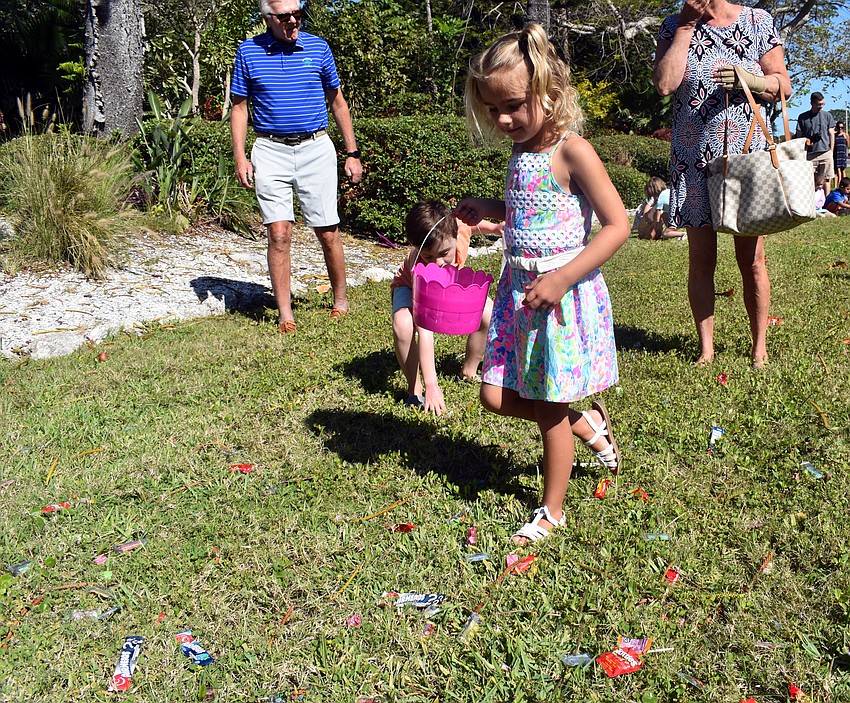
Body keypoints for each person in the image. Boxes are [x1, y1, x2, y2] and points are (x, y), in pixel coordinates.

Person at [455, 24, 629, 545]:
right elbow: (531, 209)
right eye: (492, 109)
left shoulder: (573, 150)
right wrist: (494, 210)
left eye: (512, 105)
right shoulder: (520, 152)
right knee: (493, 394)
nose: (502, 118)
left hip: (560, 297)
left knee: (548, 408)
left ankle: (552, 512)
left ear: (548, 92)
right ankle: (587, 427)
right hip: (519, 293)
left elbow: (617, 225)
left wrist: (563, 278)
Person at [653, 0, 792, 368]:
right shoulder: (674, 25)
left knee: (753, 260)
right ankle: (706, 349)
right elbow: (665, 84)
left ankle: (759, 347)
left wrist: (754, 81)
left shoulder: (757, 21)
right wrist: (685, 26)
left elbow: (784, 86)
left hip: (746, 159)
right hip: (694, 159)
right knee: (701, 260)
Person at [230, 0, 363, 334]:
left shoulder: (318, 48)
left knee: (327, 229)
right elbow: (240, 107)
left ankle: (341, 300)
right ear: (268, 18)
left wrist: (353, 152)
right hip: (270, 149)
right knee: (278, 232)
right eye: (285, 15)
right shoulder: (248, 52)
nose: (293, 20)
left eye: (297, 14)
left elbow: (337, 101)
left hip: (315, 147)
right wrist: (240, 156)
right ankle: (285, 314)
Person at [390, 201, 500, 415]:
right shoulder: (420, 267)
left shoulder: (458, 228)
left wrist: (495, 228)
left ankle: (468, 371)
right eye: (429, 256)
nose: (437, 263)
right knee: (403, 324)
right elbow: (425, 329)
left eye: (443, 253)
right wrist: (432, 384)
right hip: (409, 286)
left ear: (455, 235)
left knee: (488, 313)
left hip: (447, 282)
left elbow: (473, 226)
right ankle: (415, 390)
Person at [794, 92, 835, 185]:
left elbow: (831, 134)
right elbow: (799, 136)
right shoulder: (803, 117)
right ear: (812, 103)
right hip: (810, 154)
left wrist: (831, 151)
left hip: (825, 152)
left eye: (822, 104)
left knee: (826, 180)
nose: (821, 106)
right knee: (809, 180)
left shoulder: (827, 116)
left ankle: (826, 199)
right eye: (818, 104)